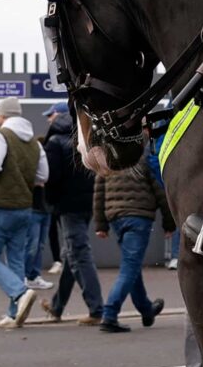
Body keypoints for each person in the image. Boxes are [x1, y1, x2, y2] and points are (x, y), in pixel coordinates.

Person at [0, 98, 50, 327]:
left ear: (2, 115)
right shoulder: (34, 143)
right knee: (16, 259)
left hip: (2, 206)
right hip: (25, 207)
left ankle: (20, 292)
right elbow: (43, 175)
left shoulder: (0, 136)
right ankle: (14, 313)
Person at [92, 147, 174, 332]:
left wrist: (101, 225)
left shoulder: (107, 160)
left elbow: (99, 192)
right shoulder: (142, 159)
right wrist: (169, 223)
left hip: (116, 218)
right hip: (139, 217)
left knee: (132, 266)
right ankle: (109, 314)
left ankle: (146, 309)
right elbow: (159, 192)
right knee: (129, 268)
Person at [42, 109, 104, 325]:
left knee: (79, 254)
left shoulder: (54, 144)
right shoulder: (84, 140)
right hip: (86, 204)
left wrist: (52, 202)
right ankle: (57, 306)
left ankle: (97, 309)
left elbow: (52, 178)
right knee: (71, 255)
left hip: (67, 206)